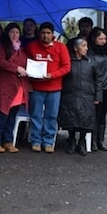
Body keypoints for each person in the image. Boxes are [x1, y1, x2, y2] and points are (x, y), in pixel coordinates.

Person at [25, 22, 71, 153]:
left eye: (48, 33)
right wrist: (29, 81)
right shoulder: (32, 46)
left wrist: (52, 75)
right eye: (43, 33)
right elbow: (26, 63)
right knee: (35, 115)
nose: (45, 35)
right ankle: (36, 141)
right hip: (36, 88)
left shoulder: (60, 47)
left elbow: (66, 67)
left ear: (53, 34)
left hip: (54, 88)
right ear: (39, 34)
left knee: (51, 116)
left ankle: (49, 142)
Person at [0, 23, 30, 153]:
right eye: (12, 32)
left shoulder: (21, 50)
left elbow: (26, 64)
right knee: (2, 114)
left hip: (18, 87)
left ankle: (7, 141)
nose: (14, 35)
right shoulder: (1, 46)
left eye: (17, 32)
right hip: (5, 86)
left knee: (12, 116)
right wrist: (16, 68)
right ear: (7, 33)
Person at [58, 38, 102, 156]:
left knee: (85, 119)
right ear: (75, 48)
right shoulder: (68, 62)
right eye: (83, 46)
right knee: (70, 118)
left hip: (87, 95)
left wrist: (98, 95)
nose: (86, 48)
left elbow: (98, 80)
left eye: (86, 46)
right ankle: (71, 140)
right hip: (70, 94)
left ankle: (81, 142)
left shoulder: (91, 62)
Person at [87, 27, 107, 151]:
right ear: (94, 39)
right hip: (95, 88)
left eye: (105, 38)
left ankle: (100, 141)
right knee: (95, 114)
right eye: (100, 38)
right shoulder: (89, 52)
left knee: (103, 114)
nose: (103, 41)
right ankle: (93, 140)